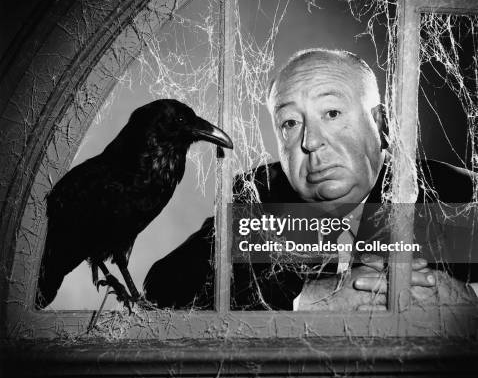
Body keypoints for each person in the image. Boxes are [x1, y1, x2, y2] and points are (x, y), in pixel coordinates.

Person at [143, 49, 477, 310]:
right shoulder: (260, 194)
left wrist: (464, 301)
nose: (310, 141)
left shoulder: (455, 192)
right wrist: (308, 300)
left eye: (331, 113)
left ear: (381, 125)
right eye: (289, 123)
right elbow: (164, 286)